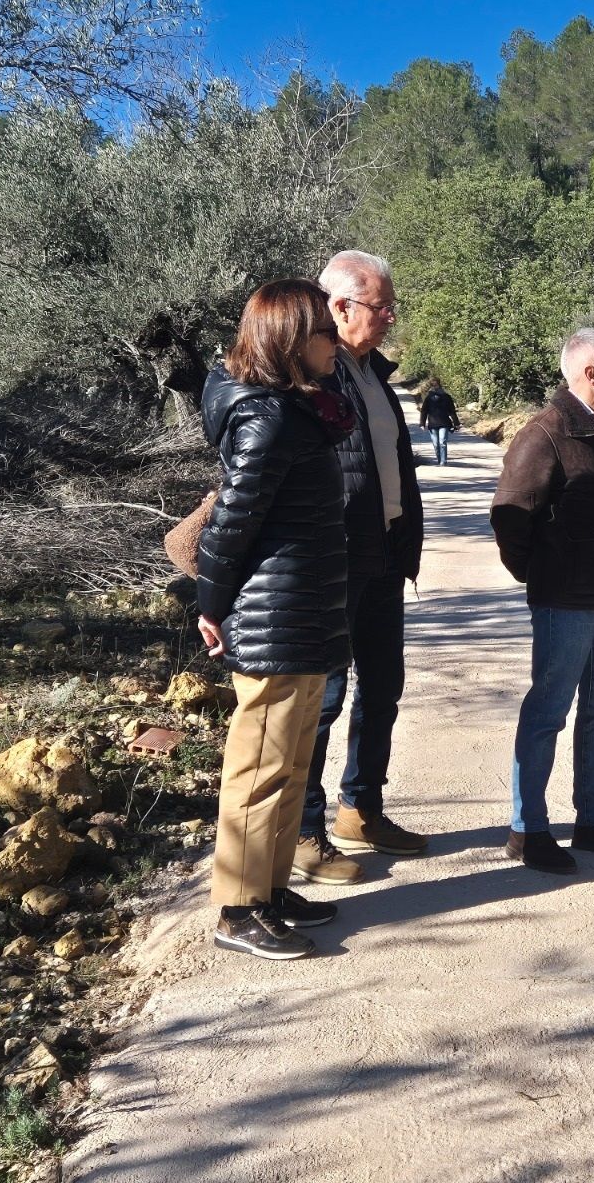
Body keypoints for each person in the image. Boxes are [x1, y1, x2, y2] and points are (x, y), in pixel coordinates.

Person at [196, 279, 353, 959]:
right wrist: (210, 601)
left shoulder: (295, 411)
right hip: (273, 618)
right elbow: (233, 521)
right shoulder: (266, 418)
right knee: (260, 767)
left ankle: (269, 886)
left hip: (304, 612)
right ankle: (236, 908)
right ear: (292, 341)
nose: (336, 342)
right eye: (325, 331)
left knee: (290, 765)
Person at [490, 329, 594, 875]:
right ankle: (527, 828)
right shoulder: (547, 433)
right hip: (567, 605)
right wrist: (544, 577)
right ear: (591, 374)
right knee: (547, 714)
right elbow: (512, 517)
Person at [292, 250, 426, 887]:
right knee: (326, 697)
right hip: (336, 560)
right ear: (340, 307)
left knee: (383, 687)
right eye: (381, 305)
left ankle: (360, 809)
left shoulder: (372, 373)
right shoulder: (311, 373)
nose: (391, 315)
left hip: (383, 555)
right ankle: (304, 830)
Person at [419, 378, 460, 466]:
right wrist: (422, 423)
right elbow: (424, 411)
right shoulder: (429, 398)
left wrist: (456, 423)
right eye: (433, 385)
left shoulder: (446, 397)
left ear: (439, 384)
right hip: (433, 424)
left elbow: (452, 411)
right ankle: (439, 459)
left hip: (444, 423)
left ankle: (443, 461)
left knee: (442, 442)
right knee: (436, 444)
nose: (435, 386)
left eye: (436, 384)